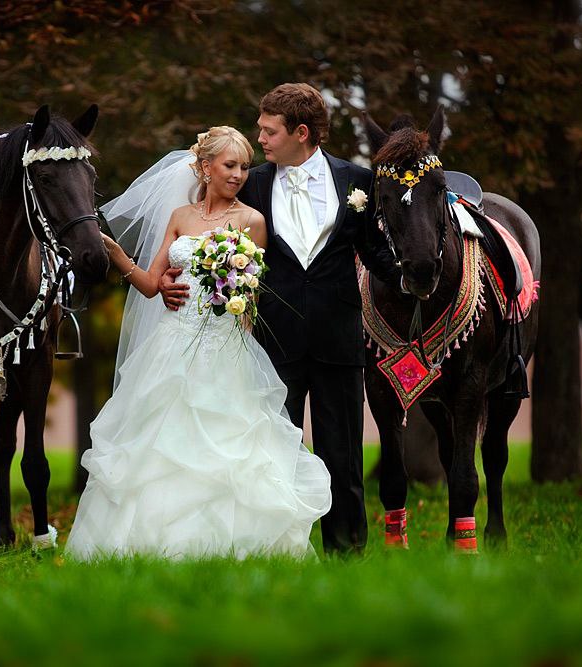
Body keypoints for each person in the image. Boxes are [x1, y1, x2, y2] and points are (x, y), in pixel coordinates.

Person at [65, 126, 332, 560]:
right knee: (157, 443)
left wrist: (234, 320)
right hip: (171, 346)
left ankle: (230, 543)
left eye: (245, 167)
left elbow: (251, 301)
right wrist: (118, 255)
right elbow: (152, 285)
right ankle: (148, 542)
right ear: (205, 167)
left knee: (230, 447)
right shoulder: (179, 217)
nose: (240, 175)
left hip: (223, 346)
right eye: (230, 165)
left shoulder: (251, 221)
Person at [160, 84, 401, 554]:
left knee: (343, 457)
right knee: (268, 456)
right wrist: (171, 278)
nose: (261, 139)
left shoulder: (357, 182)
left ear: (302, 132)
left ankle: (346, 555)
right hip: (271, 342)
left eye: (269, 131)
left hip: (338, 337)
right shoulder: (250, 184)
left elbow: (373, 252)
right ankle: (278, 550)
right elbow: (203, 228)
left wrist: (411, 279)